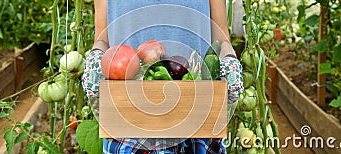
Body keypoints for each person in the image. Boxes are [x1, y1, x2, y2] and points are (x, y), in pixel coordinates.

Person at [82, 0, 244, 153]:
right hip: (127, 120)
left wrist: (228, 59)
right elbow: (103, 38)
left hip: (197, 118)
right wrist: (96, 57)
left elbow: (221, 38)